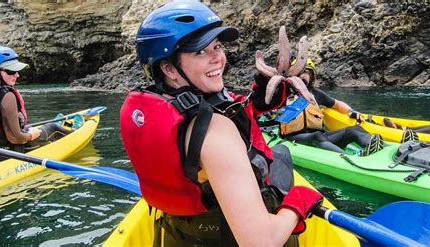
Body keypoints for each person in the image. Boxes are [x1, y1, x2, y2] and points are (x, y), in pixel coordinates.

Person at [119, 1, 324, 246]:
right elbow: (261, 243)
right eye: (200, 52)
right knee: (282, 156)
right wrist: (298, 203)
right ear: (169, 68)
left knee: (278, 155)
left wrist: (260, 100)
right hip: (225, 237)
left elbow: (216, 109)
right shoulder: (216, 133)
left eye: (217, 46)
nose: (218, 58)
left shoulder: (148, 107)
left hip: (179, 234)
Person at [271, 58, 384, 156]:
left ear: (312, 77)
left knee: (354, 130)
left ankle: (377, 148)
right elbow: (269, 104)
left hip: (321, 138)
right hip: (293, 138)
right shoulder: (285, 94)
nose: (303, 75)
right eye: (300, 72)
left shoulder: (317, 94)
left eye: (307, 73)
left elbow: (337, 104)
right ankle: (352, 160)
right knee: (317, 136)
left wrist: (351, 111)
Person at [0, 46, 71, 158]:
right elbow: (15, 138)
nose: (17, 75)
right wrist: (30, 136)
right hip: (9, 150)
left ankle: (63, 126)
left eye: (17, 71)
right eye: (11, 71)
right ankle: (75, 131)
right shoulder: (6, 95)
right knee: (52, 128)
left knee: (28, 127)